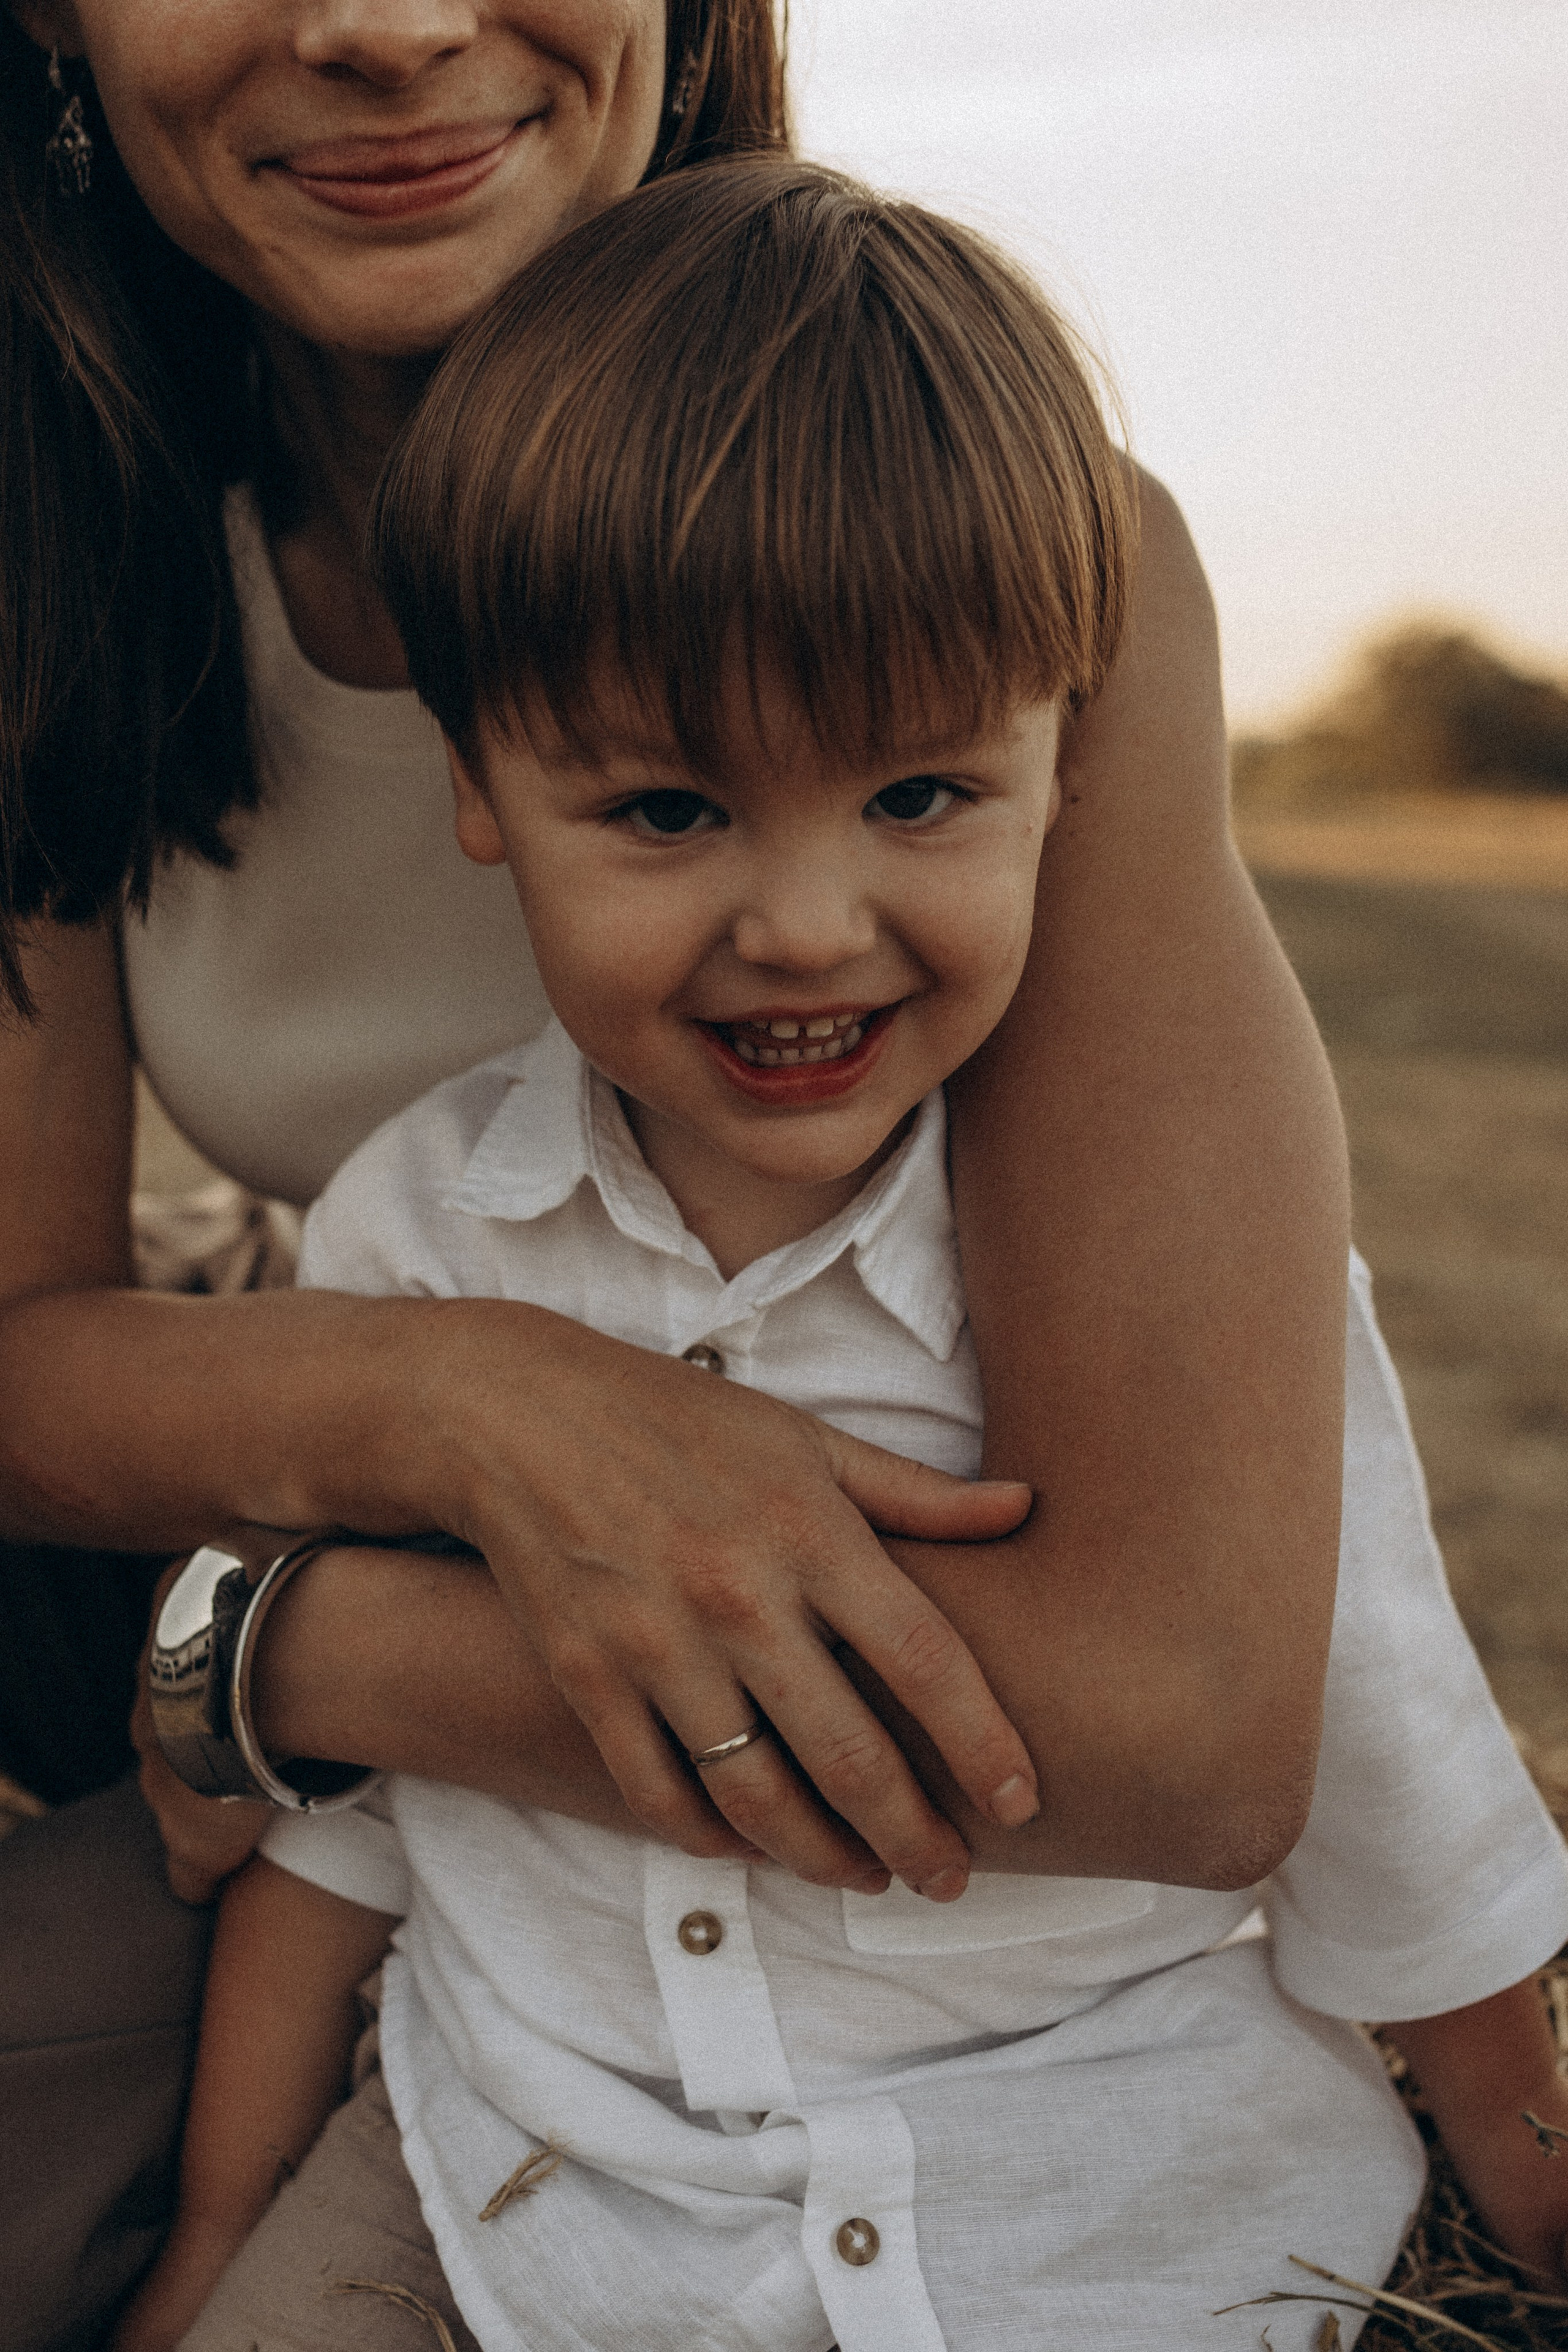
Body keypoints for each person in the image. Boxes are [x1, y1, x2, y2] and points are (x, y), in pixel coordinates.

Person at [113, 164, 1568, 2352]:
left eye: (917, 800)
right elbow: (355, 1836)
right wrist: (216, 2250)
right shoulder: (418, 1224)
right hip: (529, 2173)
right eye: (672, 815)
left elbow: (1389, 1768)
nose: (806, 925)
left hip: (1096, 2201)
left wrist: (1524, 2184)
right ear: (484, 787)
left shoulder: (1135, 1281)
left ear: (1064, 767)